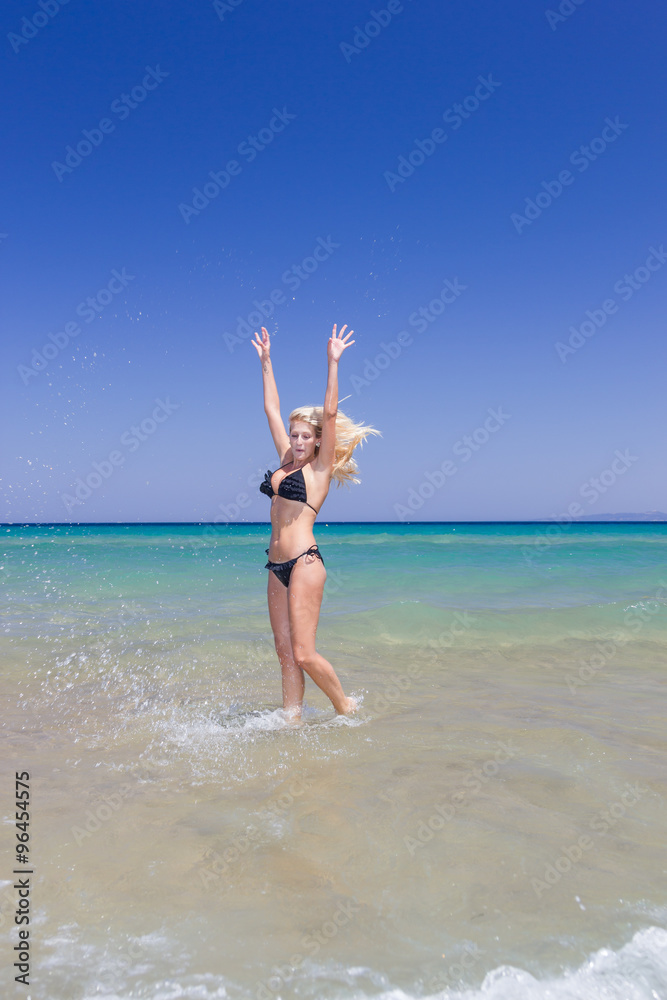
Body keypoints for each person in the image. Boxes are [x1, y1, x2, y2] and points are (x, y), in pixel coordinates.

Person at [251, 322, 380, 721]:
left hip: (305, 563)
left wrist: (333, 362)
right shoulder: (286, 460)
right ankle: (292, 719)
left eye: (306, 436)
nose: (299, 441)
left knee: (304, 652)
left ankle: (346, 707)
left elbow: (330, 411)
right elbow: (271, 409)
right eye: (295, 436)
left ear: (319, 440)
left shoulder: (318, 471)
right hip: (276, 567)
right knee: (284, 650)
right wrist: (267, 361)